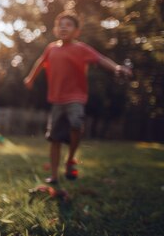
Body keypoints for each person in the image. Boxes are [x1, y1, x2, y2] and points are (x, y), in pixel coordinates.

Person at [24, 10, 131, 184]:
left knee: (76, 123)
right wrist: (30, 78)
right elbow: (40, 62)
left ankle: (71, 158)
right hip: (56, 99)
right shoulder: (51, 48)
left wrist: (116, 68)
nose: (64, 27)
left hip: (76, 97)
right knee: (55, 138)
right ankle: (54, 175)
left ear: (76, 32)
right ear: (56, 29)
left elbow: (100, 59)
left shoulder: (80, 48)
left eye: (69, 25)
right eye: (60, 25)